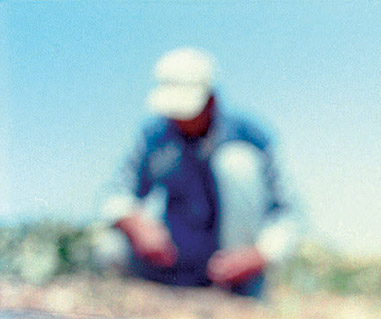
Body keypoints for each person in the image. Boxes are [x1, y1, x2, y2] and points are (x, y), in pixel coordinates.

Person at [98, 48, 300, 296]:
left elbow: (289, 215)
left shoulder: (251, 137)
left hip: (231, 270)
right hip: (174, 260)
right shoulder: (154, 135)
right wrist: (136, 225)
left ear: (211, 101)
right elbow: (116, 193)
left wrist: (256, 256)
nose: (178, 120)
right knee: (110, 245)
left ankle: (238, 295)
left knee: (238, 162)